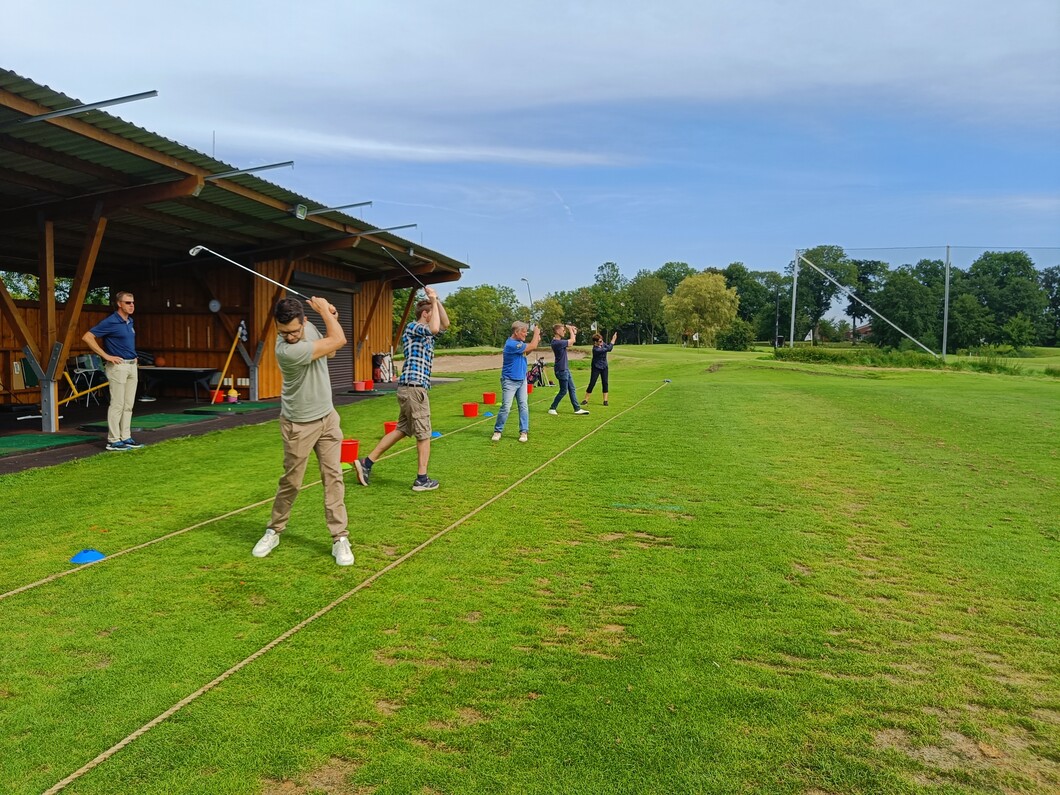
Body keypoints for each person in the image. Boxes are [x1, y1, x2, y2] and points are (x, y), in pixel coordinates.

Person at [252, 296, 354, 566]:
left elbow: (330, 350)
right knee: (292, 482)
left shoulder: (307, 329)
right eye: (284, 332)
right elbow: (338, 341)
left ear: (304, 321)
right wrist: (325, 311)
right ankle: (274, 530)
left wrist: (330, 315)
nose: (291, 336)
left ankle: (340, 538)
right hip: (298, 423)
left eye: (295, 330)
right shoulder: (286, 351)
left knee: (334, 477)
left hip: (327, 417)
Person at [355, 286, 449, 491]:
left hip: (411, 388)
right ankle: (422, 479)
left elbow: (444, 324)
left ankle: (366, 463)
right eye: (431, 311)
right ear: (425, 314)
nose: (434, 315)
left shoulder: (427, 332)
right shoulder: (413, 327)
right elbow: (434, 328)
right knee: (424, 434)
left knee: (402, 430)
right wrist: (432, 301)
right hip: (414, 388)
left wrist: (436, 300)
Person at [82, 291, 143, 451]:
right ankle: (113, 440)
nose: (131, 305)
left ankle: (126, 437)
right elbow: (87, 337)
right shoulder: (110, 321)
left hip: (131, 365)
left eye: (133, 302)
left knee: (128, 405)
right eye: (128, 303)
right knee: (117, 403)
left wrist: (134, 357)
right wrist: (106, 356)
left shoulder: (130, 321)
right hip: (118, 367)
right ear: (119, 304)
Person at [492, 320, 541, 443]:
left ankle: (523, 431)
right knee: (506, 407)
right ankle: (498, 431)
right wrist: (536, 334)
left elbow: (527, 351)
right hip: (509, 381)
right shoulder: (511, 344)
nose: (526, 334)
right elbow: (532, 346)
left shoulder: (519, 343)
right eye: (524, 332)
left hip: (522, 380)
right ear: (516, 332)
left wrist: (536, 340)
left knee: (523, 406)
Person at [547, 323, 590, 416]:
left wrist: (573, 332)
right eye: (563, 330)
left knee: (572, 389)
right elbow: (572, 341)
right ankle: (552, 408)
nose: (564, 332)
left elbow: (571, 343)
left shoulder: (560, 342)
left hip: (565, 369)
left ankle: (577, 408)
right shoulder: (556, 343)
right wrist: (570, 329)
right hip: (561, 370)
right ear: (557, 331)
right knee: (563, 391)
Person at [582, 331, 618, 406]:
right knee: (592, 383)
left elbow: (609, 348)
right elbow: (608, 349)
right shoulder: (595, 349)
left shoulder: (603, 344)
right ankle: (586, 399)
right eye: (600, 341)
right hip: (596, 367)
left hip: (604, 366)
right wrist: (613, 340)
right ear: (595, 342)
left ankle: (605, 400)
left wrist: (612, 340)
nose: (602, 342)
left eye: (602, 340)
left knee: (605, 383)